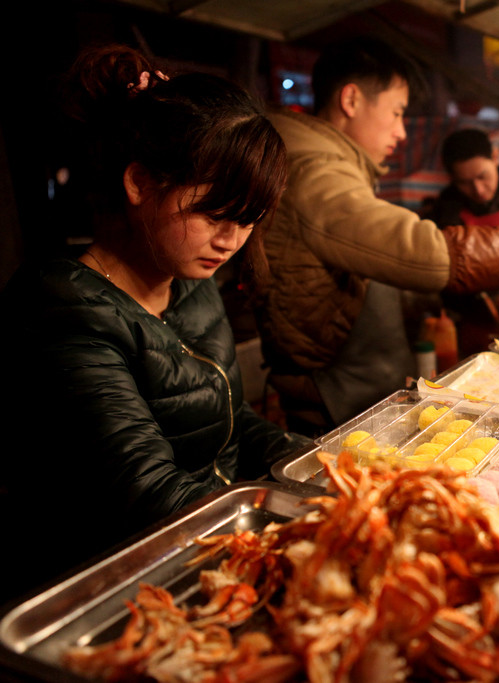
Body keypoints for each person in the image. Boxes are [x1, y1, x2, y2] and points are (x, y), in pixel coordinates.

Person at [0, 45, 311, 600]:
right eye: (214, 214)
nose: (231, 241)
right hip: (123, 585)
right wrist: (300, 537)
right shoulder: (63, 310)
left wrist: (319, 463)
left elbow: (232, 422)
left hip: (211, 549)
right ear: (139, 182)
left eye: (247, 221)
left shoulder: (191, 281)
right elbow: (145, 492)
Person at [255, 36, 499, 435]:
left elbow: (372, 276)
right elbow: (423, 253)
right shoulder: (315, 173)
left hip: (359, 381)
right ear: (351, 100)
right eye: (396, 112)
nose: (402, 132)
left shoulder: (330, 166)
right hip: (332, 391)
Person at [428, 128, 499, 354]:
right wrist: (490, 303)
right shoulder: (446, 211)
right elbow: (442, 284)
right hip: (477, 335)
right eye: (465, 182)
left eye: (482, 176)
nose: (478, 190)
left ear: (495, 157)